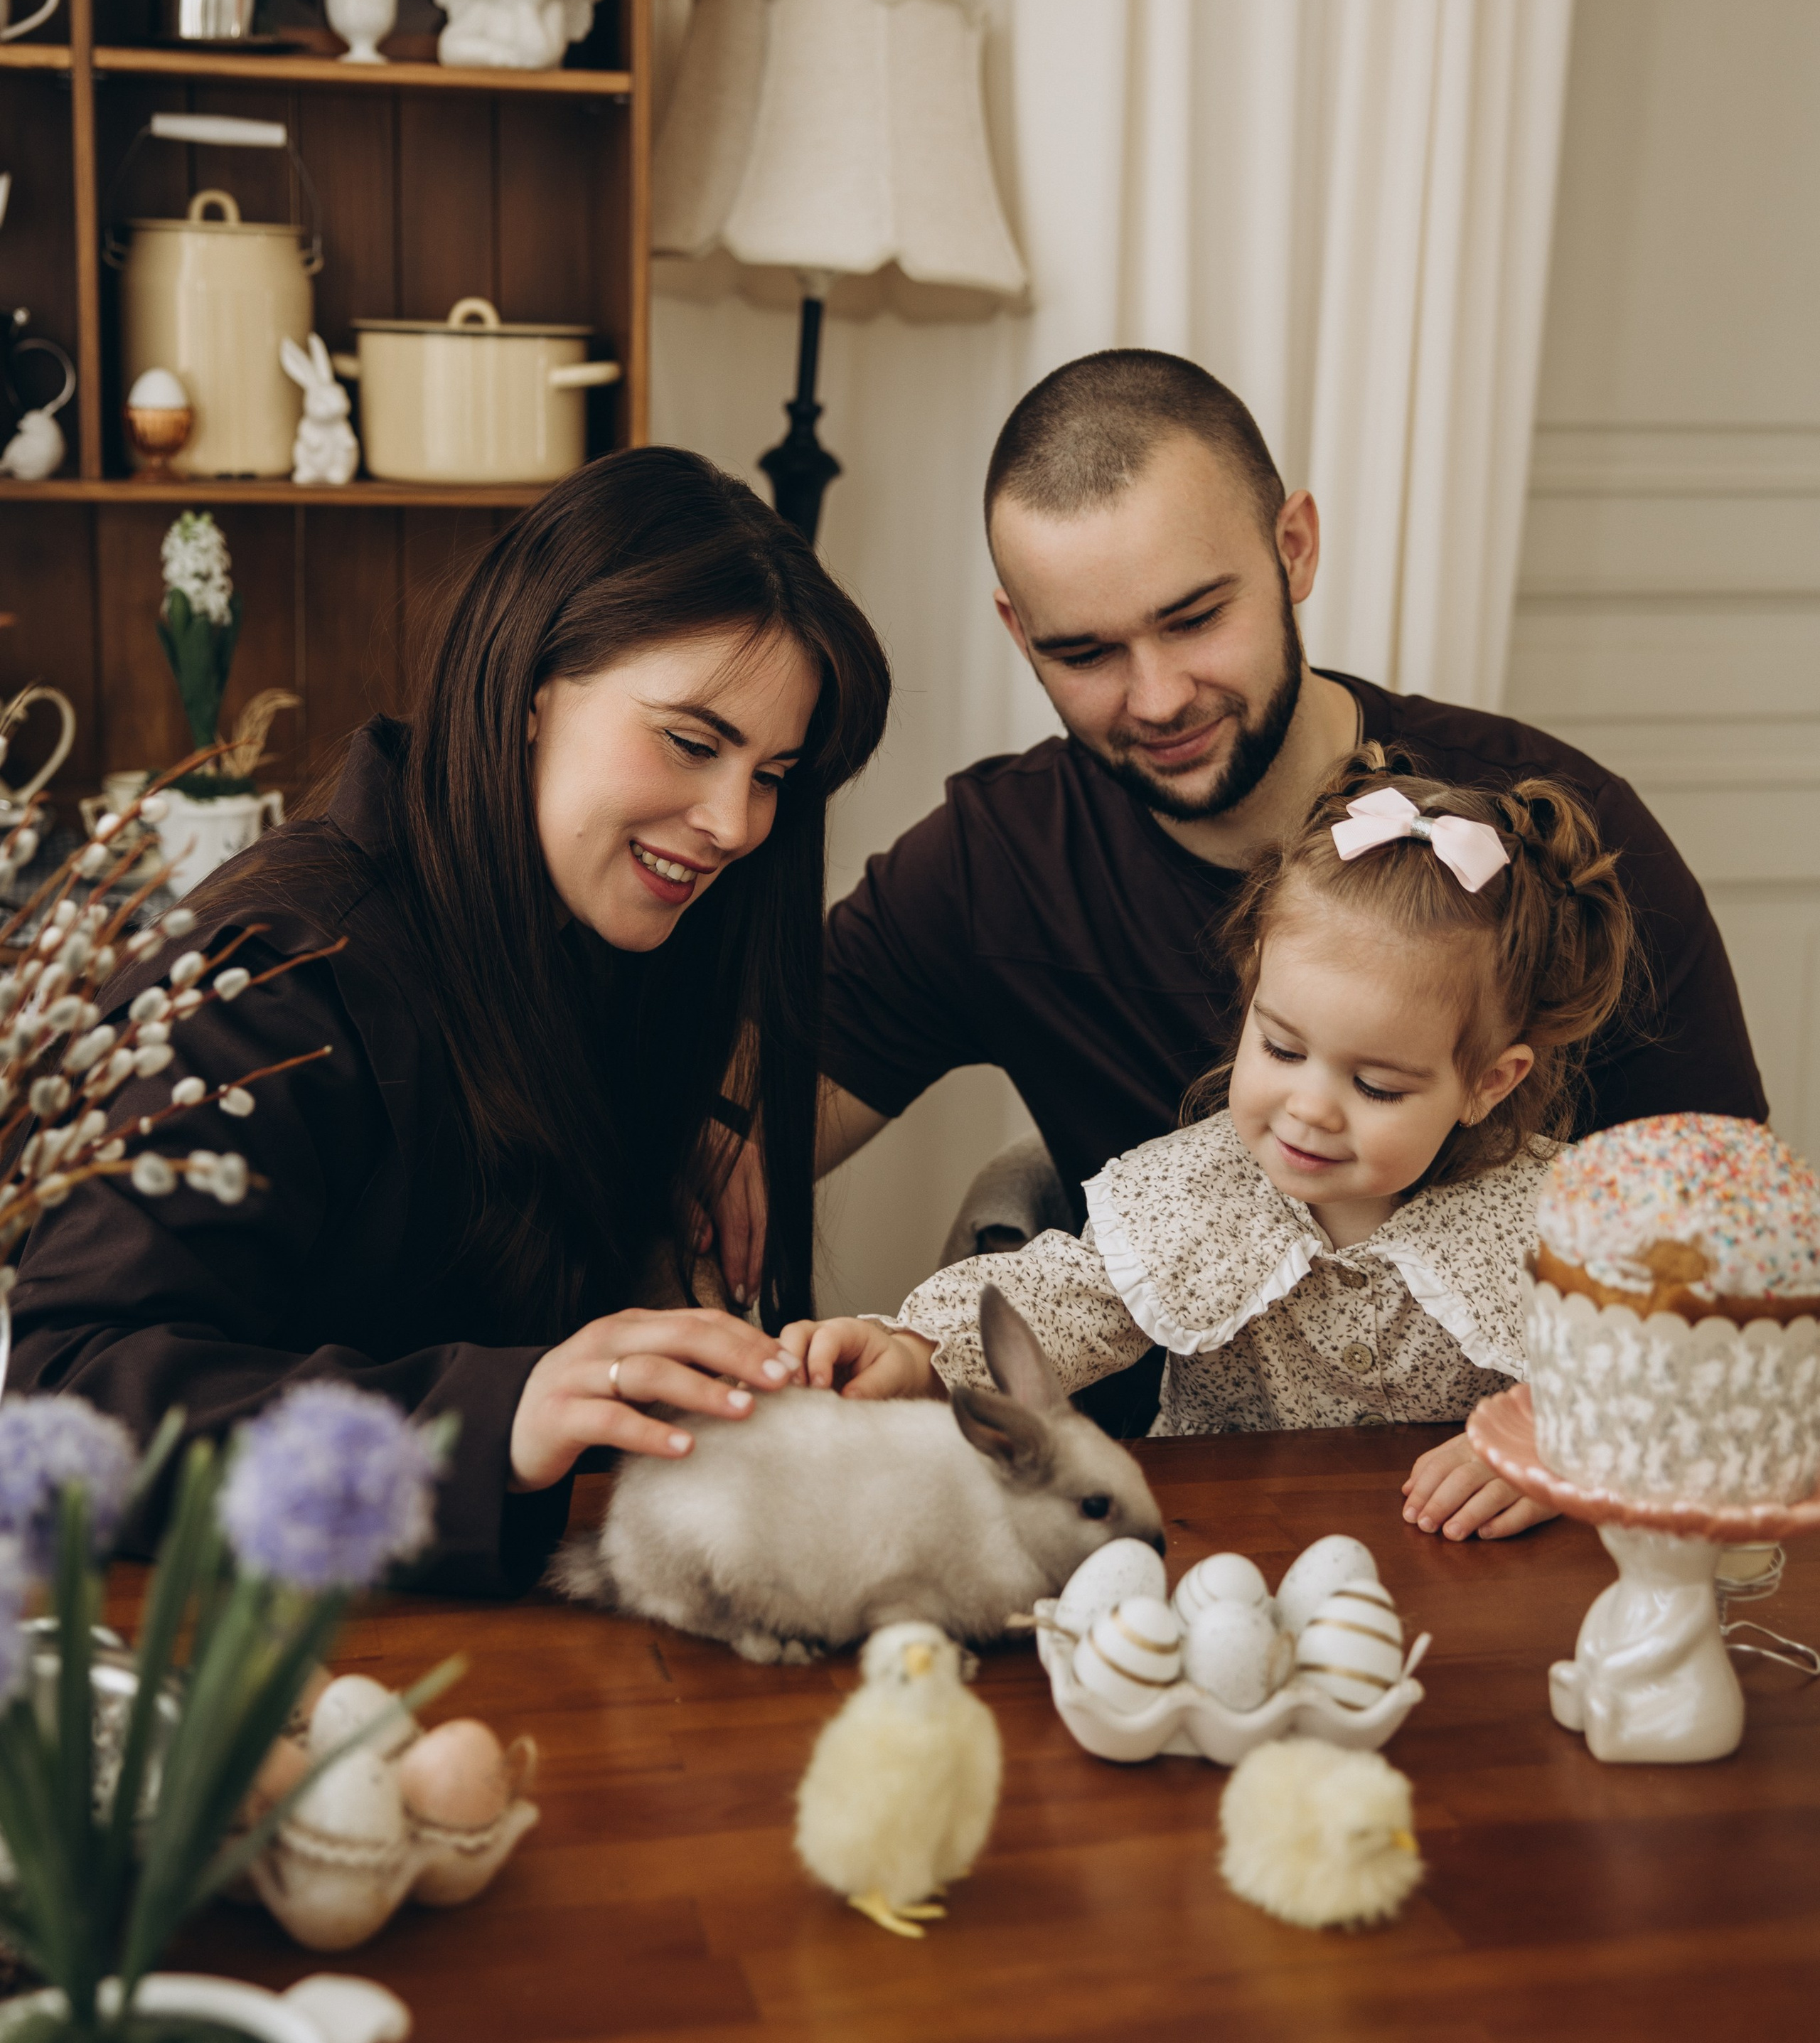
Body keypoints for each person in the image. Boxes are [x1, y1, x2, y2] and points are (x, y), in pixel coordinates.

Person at [712, 350, 1764, 1325]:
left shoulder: (1556, 836)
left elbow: (1730, 1247)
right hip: (1157, 1492)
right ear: (1018, 632)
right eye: (1085, 653)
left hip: (1497, 1473)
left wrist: (1555, 1440)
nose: (1159, 698)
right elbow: (721, 1138)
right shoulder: (995, 865)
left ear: (1292, 549)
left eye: (1195, 619)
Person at [8, 449, 890, 1592]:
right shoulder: (277, 970)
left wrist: (695, 1125)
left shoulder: (609, 925)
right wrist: (501, 1413)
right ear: (531, 692)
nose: (733, 823)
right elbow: (72, 1388)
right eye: (690, 741)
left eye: (773, 772)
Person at [781, 747, 1634, 1542]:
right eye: (1282, 1048)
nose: (1308, 1109)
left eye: (1375, 1087)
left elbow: (1665, 1368)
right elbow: (1058, 1299)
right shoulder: (1198, 1191)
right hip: (1218, 1549)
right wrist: (914, 1352)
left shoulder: (1561, 1222)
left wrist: (1545, 1437)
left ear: (1490, 1081)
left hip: (1458, 1581)